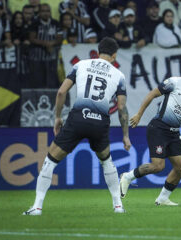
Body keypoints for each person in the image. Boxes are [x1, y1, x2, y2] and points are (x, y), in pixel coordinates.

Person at [23, 37, 132, 215]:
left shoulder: (81, 65)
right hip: (100, 121)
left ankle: (37, 207)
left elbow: (61, 92)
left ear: (97, 52)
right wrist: (125, 135)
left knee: (50, 161)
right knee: (106, 161)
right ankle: (118, 206)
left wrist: (57, 117)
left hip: (78, 118)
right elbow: (121, 107)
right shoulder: (119, 75)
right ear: (114, 56)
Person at [119, 58, 181, 206]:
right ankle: (127, 177)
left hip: (174, 132)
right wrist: (139, 115)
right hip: (159, 128)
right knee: (158, 166)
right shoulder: (174, 82)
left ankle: (162, 199)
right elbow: (152, 94)